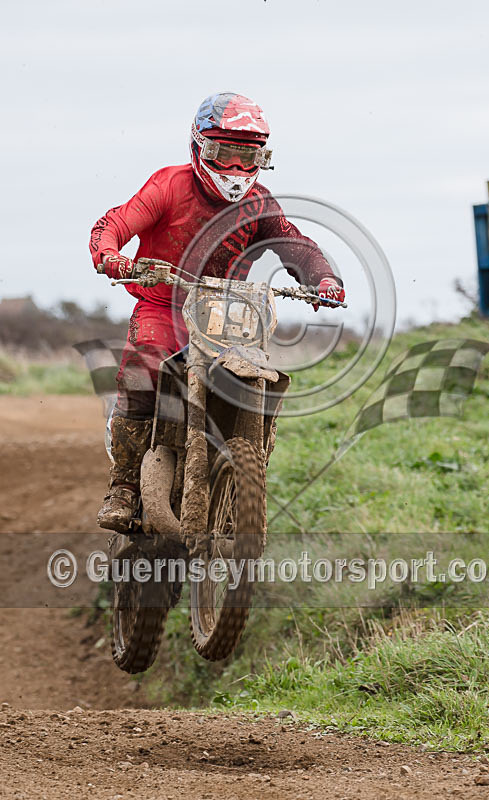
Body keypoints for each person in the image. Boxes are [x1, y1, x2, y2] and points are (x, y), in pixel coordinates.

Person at [89, 92, 345, 532]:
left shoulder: (259, 203)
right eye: (225, 153)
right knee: (146, 362)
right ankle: (125, 486)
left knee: (256, 378)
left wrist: (323, 279)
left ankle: (247, 472)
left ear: (263, 158)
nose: (236, 169)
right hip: (163, 303)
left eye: (249, 158)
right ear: (200, 146)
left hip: (227, 314)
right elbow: (114, 222)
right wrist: (111, 255)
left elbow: (295, 246)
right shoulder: (169, 186)